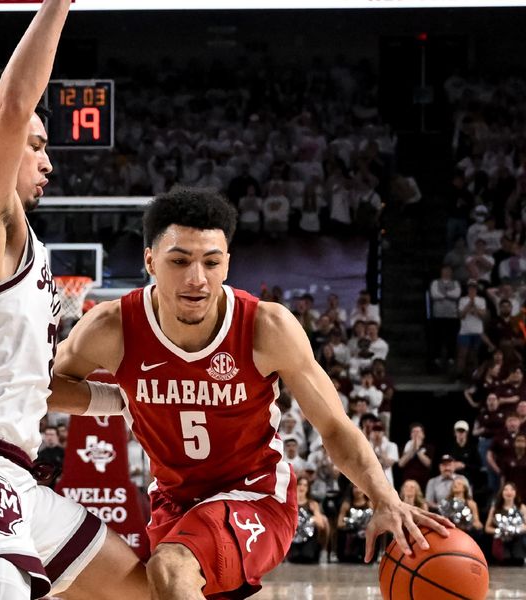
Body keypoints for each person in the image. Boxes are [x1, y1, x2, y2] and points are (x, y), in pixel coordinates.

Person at [49, 188, 451, 599]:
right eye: (179, 261)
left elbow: (333, 426)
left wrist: (385, 498)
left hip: (256, 494)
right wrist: (113, 399)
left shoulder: (266, 327)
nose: (196, 278)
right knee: (81, 585)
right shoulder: (112, 327)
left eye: (211, 261)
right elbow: (41, 389)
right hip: (174, 501)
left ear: (227, 264)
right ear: (150, 260)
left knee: (171, 568)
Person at [0, 2, 147, 600]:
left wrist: (127, 403)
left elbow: (36, 385)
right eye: (36, 145)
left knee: (144, 588)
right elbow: (13, 104)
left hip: (14, 473)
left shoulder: (20, 244)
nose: (48, 160)